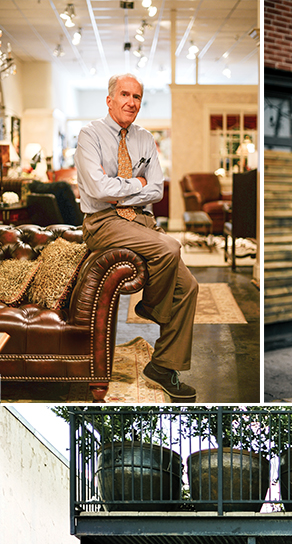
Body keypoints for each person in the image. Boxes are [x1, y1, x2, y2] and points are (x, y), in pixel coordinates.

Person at [75, 73, 198, 401]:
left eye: (137, 97)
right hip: (103, 222)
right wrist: (136, 186)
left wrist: (123, 189)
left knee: (189, 288)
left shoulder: (144, 138)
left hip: (142, 222)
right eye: (125, 95)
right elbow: (99, 191)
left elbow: (157, 189)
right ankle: (152, 307)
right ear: (110, 99)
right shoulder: (90, 135)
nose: (132, 102)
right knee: (170, 246)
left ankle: (163, 366)